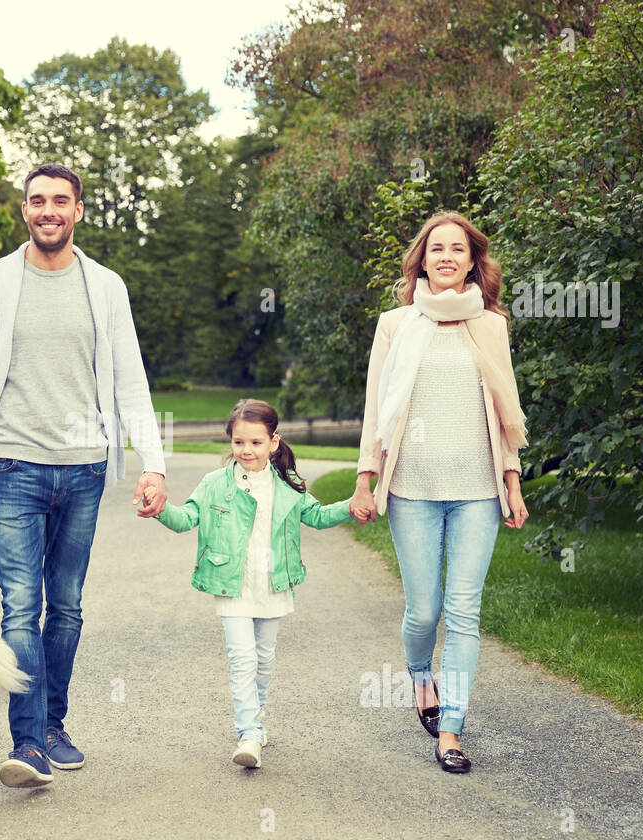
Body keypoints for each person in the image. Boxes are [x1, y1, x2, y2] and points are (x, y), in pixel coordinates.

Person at [0, 163, 168, 788]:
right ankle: (28, 743)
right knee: (20, 609)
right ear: (24, 211)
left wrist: (155, 463)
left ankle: (55, 722)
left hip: (85, 470)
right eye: (37, 201)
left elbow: (130, 380)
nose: (48, 211)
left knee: (64, 608)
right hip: (12, 464)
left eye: (60, 201)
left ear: (79, 211)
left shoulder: (106, 287)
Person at [350, 211, 530, 773]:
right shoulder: (395, 324)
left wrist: (512, 479)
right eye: (436, 249)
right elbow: (376, 404)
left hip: (477, 487)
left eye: (458, 249)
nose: (446, 256)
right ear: (422, 261)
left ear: (474, 261)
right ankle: (421, 678)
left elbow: (505, 413)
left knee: (463, 610)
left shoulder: (492, 326)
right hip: (412, 486)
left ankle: (450, 728)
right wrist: (365, 476)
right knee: (424, 610)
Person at [145, 399, 353, 769]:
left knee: (264, 661)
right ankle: (249, 733)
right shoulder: (214, 484)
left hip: (273, 584)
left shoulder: (287, 486)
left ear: (274, 442)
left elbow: (318, 517)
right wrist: (160, 509)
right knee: (242, 661)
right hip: (232, 584)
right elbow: (186, 518)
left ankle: (254, 719)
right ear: (231, 442)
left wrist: (351, 506)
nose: (246, 450)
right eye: (239, 442)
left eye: (256, 443)